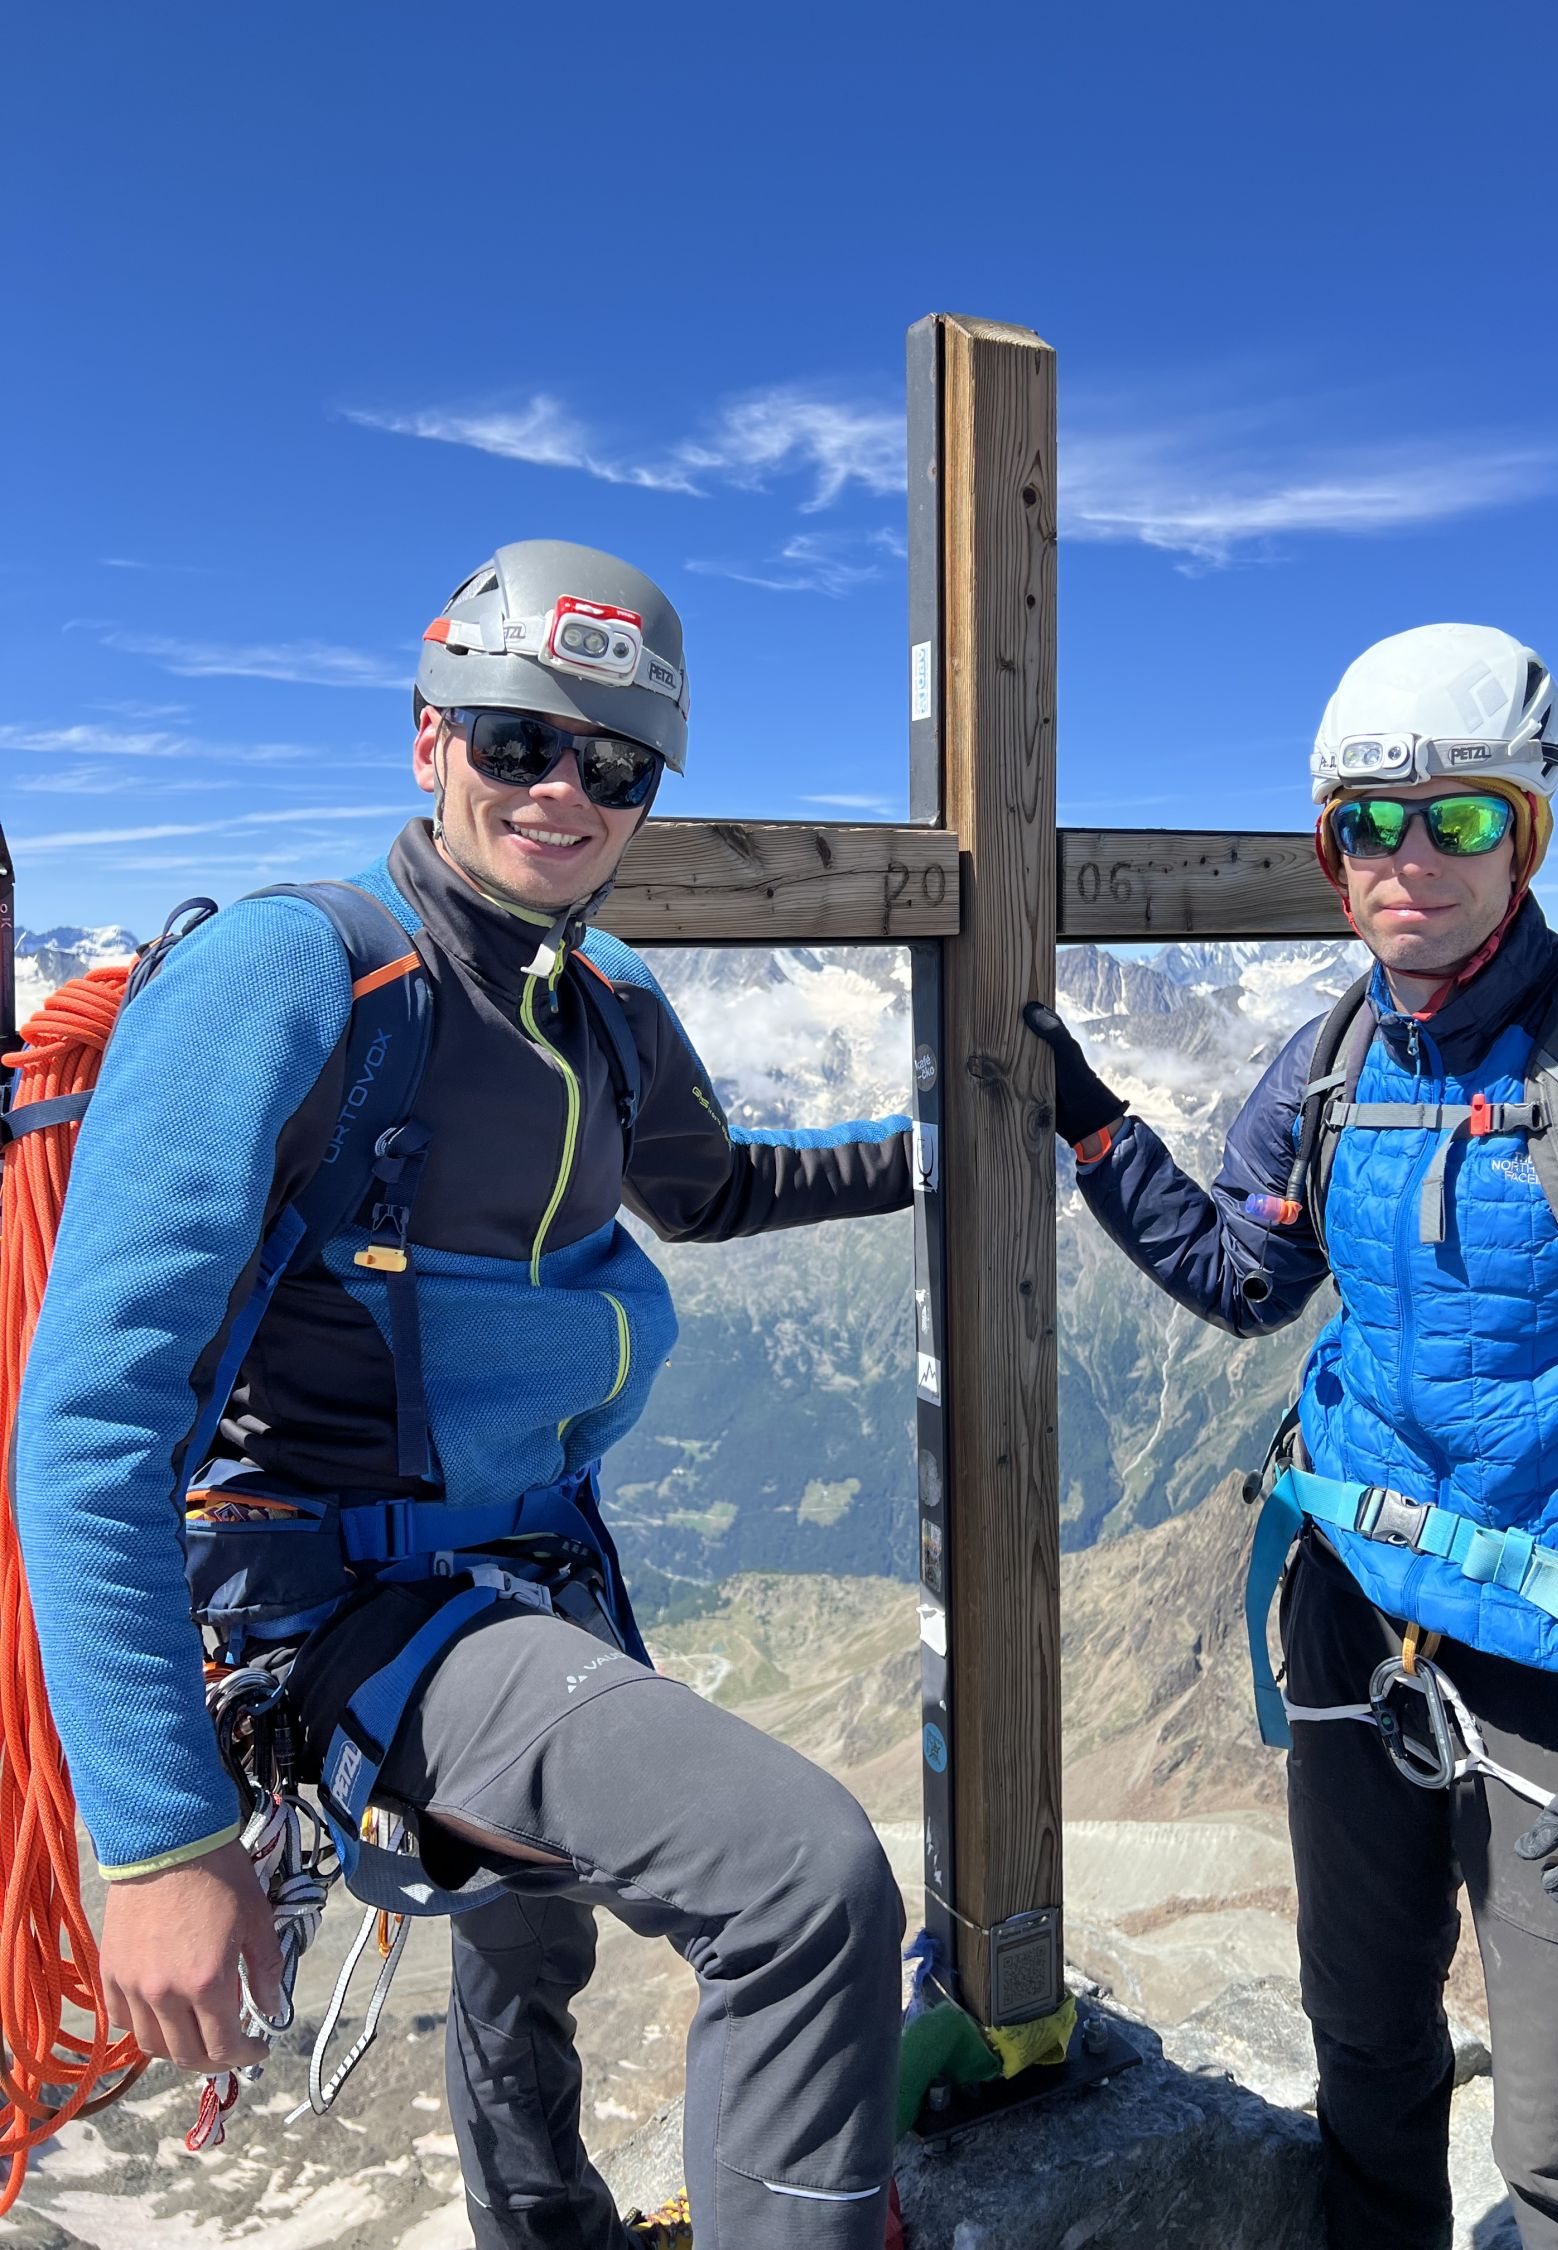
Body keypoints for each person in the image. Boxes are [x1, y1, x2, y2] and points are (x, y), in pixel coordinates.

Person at [14, 541, 913, 2250]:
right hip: (335, 1596)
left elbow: (717, 1187)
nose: (564, 790)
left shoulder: (608, 1004)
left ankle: (542, 2225)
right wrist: (162, 1839)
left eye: (614, 764)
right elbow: (88, 1425)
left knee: (534, 1923)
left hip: (535, 1564)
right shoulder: (294, 974)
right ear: (429, 736)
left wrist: (939, 1148)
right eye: (518, 741)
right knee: (806, 1876)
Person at [1026, 623, 1558, 2250]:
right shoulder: (1332, 1057)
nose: (1409, 858)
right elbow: (1247, 1275)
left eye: (1458, 817)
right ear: (1332, 852)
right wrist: (1096, 1127)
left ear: (1525, 836)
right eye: (1369, 824)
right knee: (1367, 2057)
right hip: (1358, 1623)